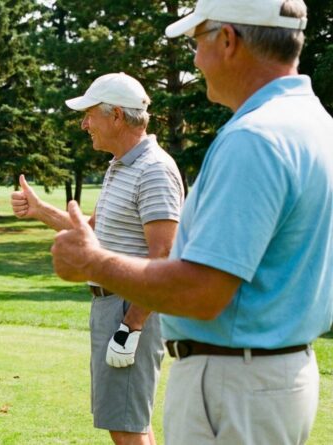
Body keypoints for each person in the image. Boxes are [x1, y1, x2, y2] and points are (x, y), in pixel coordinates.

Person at [50, 1, 333, 444]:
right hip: (272, 376)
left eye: (198, 41)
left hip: (233, 386)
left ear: (227, 40)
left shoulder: (253, 139)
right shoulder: (314, 123)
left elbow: (201, 291)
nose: (196, 60)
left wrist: (92, 263)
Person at [12, 72, 184, 445]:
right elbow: (95, 231)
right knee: (131, 421)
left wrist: (131, 326)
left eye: (90, 114)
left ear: (117, 116)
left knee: (125, 427)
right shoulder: (120, 165)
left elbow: (164, 255)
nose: (84, 124)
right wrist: (39, 210)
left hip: (131, 310)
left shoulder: (153, 169)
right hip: (115, 306)